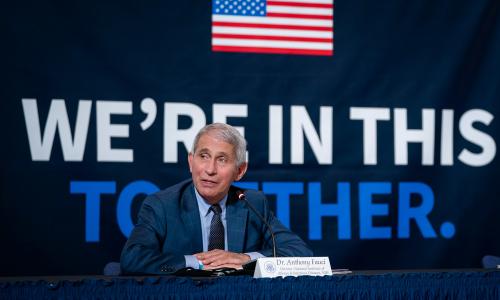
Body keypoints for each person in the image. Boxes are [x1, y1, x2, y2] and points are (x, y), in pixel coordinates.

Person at [120, 123, 312, 274]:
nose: (210, 170)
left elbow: (300, 254)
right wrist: (198, 262)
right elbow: (133, 258)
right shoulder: (162, 205)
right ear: (190, 161)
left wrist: (245, 259)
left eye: (222, 160)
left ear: (240, 171)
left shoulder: (252, 202)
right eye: (203, 156)